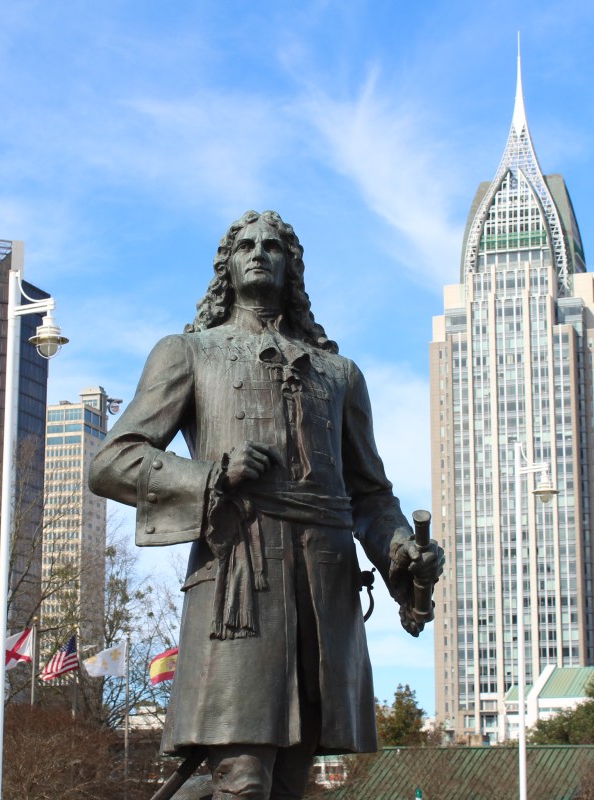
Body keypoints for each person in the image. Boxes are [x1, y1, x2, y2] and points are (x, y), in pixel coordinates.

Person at [89, 210, 443, 800]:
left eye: (272, 246)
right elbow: (113, 460)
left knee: (288, 782)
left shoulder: (340, 374)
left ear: (291, 266)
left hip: (323, 589)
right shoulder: (189, 353)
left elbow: (371, 495)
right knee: (242, 777)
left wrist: (402, 549)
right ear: (227, 266)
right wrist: (209, 475)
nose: (259, 252)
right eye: (245, 245)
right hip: (238, 579)